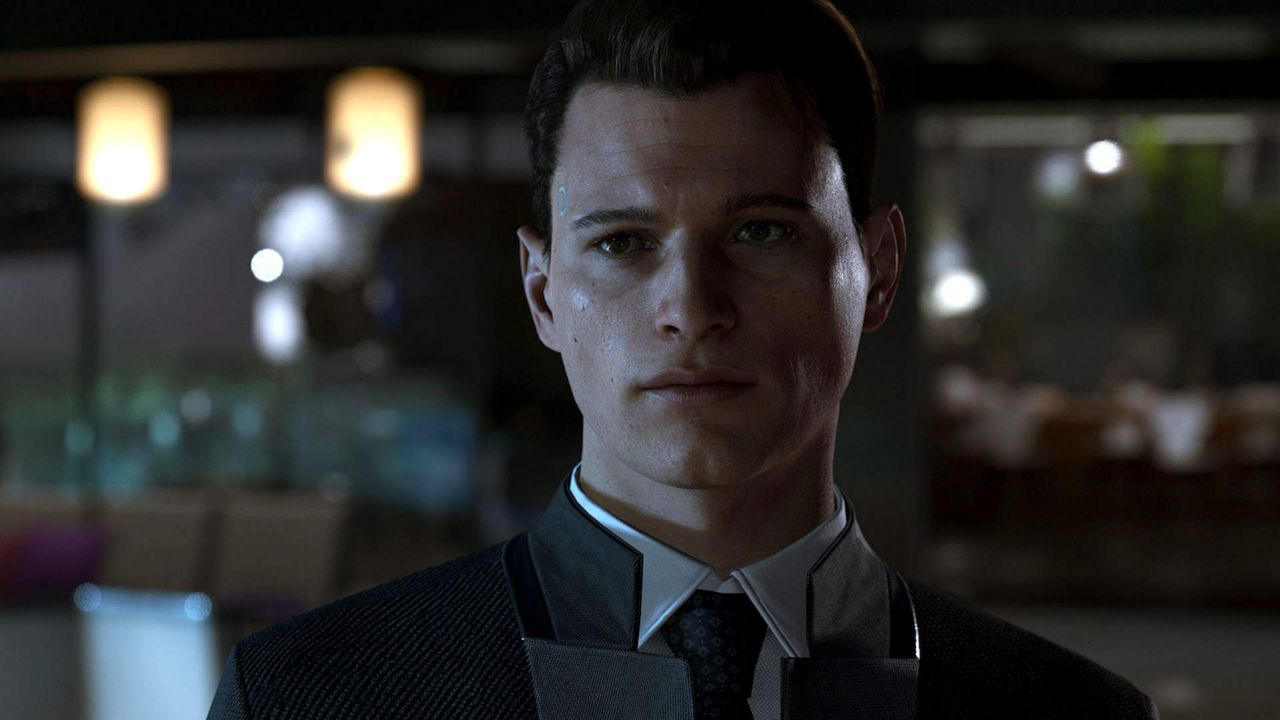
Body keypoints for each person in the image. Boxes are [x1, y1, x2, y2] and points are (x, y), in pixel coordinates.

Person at [208, 0, 1159, 718]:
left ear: (876, 270)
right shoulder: (308, 698)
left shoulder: (1070, 715)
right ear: (543, 292)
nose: (693, 310)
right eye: (623, 242)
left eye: (760, 231)